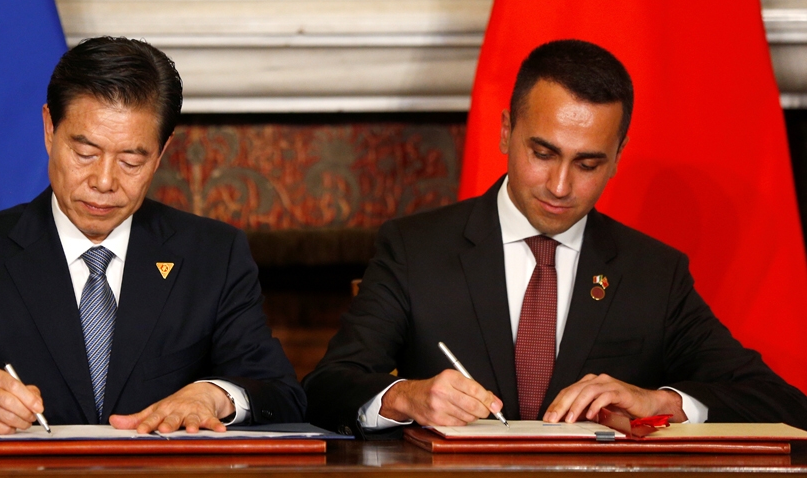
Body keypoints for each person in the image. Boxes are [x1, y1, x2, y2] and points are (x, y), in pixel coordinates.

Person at [302, 39, 807, 438]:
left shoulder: (653, 273)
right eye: (542, 154)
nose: (560, 187)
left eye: (588, 164)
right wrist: (404, 397)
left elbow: (780, 402)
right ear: (506, 131)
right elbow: (326, 387)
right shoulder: (416, 248)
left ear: (618, 156)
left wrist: (663, 403)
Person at [0, 37, 306, 445]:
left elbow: (283, 394)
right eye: (85, 153)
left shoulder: (213, 254)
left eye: (131, 161)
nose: (104, 181)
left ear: (161, 153)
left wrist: (215, 395)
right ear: (50, 129)